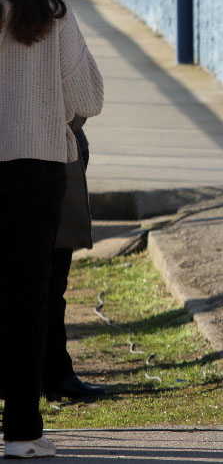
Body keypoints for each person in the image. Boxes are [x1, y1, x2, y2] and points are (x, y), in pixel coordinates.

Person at [0, 0, 104, 458]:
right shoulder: (51, 11)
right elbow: (89, 96)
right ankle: (22, 431)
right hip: (37, 168)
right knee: (27, 298)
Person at [44, 124, 107, 401]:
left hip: (53, 153)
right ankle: (54, 374)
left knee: (48, 284)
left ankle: (54, 372)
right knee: (47, 284)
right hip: (43, 160)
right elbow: (85, 103)